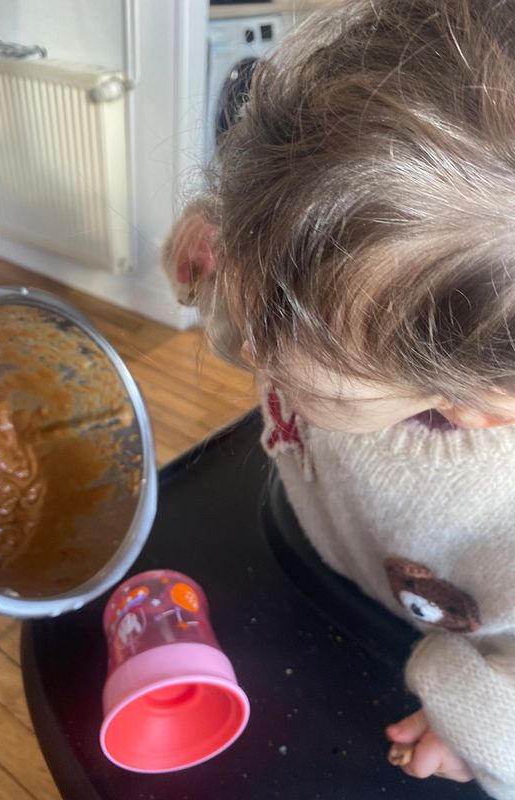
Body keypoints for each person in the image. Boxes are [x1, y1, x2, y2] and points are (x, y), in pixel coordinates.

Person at [163, 1, 515, 797]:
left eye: (289, 367)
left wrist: (480, 727)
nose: (249, 355)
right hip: (307, 559)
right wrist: (212, 272)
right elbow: (262, 309)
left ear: (474, 406)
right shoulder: (325, 301)